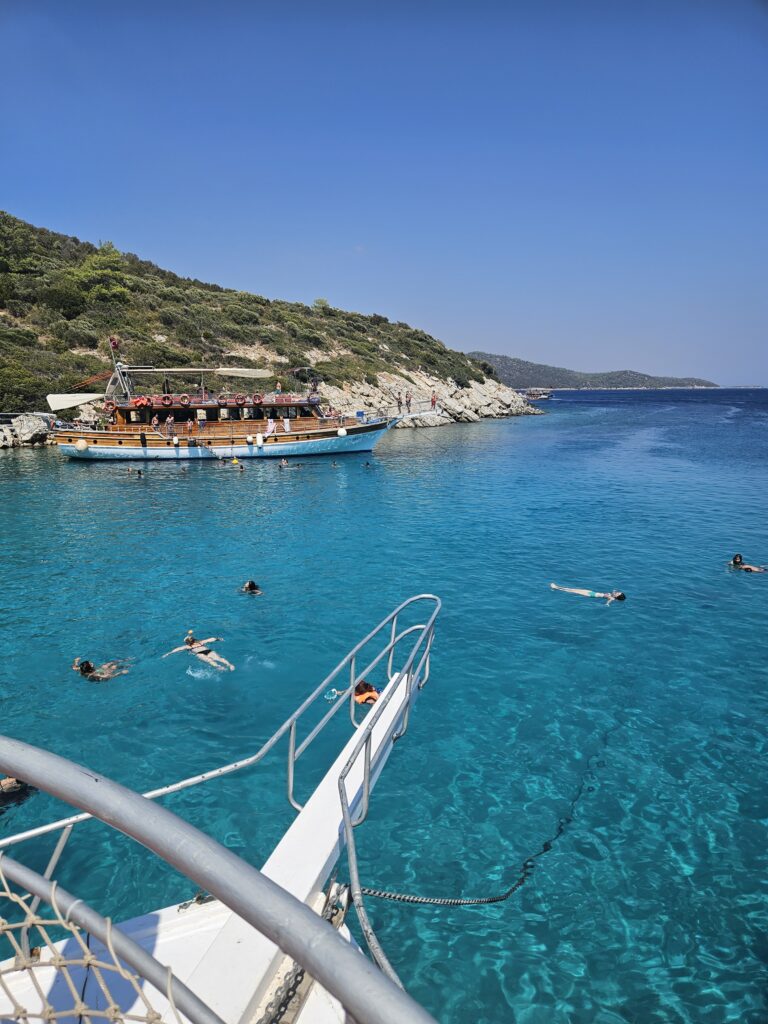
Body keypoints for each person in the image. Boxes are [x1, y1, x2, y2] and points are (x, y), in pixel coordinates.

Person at [163, 632, 235, 672]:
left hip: (200, 654)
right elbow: (211, 639)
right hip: (208, 651)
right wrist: (219, 639)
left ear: (187, 643)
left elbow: (177, 649)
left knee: (210, 661)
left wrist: (168, 653)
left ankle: (219, 667)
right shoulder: (201, 642)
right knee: (220, 659)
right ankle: (230, 665)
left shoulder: (188, 647)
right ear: (194, 640)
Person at [550, 583, 626, 604]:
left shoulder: (612, 598)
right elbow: (613, 593)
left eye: (619, 593)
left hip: (590, 595)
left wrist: (607, 604)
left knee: (571, 590)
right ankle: (556, 588)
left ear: (618, 596)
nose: (618, 592)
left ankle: (556, 588)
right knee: (573, 589)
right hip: (591, 592)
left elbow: (609, 600)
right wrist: (614, 591)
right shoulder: (613, 595)